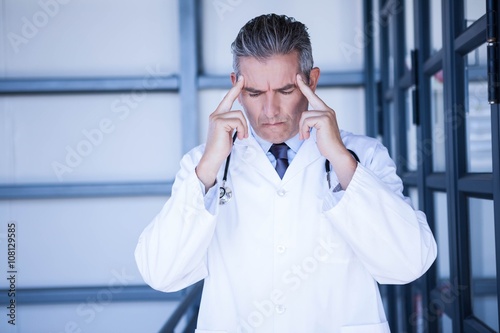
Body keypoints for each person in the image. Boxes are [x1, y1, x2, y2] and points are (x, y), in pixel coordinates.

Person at [135, 13, 437, 333]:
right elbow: (160, 273)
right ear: (234, 88)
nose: (270, 111)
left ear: (311, 81)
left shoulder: (363, 156)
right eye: (253, 93)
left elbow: (410, 263)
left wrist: (341, 160)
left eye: (284, 91)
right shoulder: (204, 165)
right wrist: (208, 167)